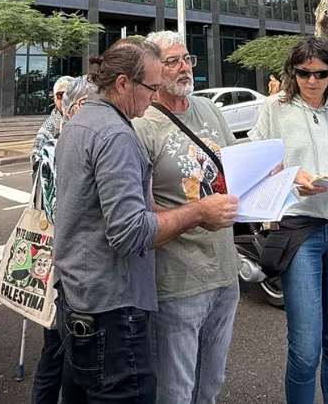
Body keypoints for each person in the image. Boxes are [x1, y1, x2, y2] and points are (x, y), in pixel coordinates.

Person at [53, 39, 238, 404]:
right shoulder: (117, 135)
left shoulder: (80, 122)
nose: (154, 97)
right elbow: (131, 232)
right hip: (113, 303)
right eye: (151, 87)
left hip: (82, 296)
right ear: (123, 83)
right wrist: (198, 212)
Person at [248, 36, 328, 404]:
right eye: (304, 73)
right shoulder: (275, 108)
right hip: (300, 227)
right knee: (304, 346)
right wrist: (292, 177)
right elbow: (261, 166)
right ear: (293, 72)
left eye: (320, 73)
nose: (312, 81)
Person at [132, 32, 239, 404]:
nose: (184, 68)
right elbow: (141, 215)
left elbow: (236, 166)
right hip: (177, 282)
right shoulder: (142, 125)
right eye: (172, 61)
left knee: (211, 384)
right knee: (175, 391)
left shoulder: (208, 109)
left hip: (225, 272)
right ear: (153, 69)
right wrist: (197, 215)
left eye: (187, 59)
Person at [30, 76, 96, 404]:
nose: (61, 98)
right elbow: (47, 197)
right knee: (58, 347)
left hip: (72, 262)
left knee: (65, 350)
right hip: (65, 260)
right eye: (58, 94)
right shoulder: (52, 139)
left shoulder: (82, 136)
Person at [33, 76, 74, 161]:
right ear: (55, 99)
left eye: (69, 94)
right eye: (61, 95)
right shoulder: (49, 126)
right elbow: (36, 154)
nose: (65, 99)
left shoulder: (85, 121)